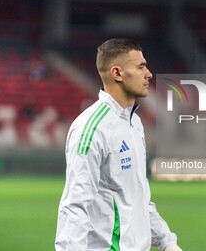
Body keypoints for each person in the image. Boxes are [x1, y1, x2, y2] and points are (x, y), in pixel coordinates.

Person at [55, 38, 183, 251]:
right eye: (141, 67)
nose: (149, 73)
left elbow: (137, 197)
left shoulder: (134, 123)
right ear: (117, 73)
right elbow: (75, 205)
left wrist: (166, 242)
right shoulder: (92, 128)